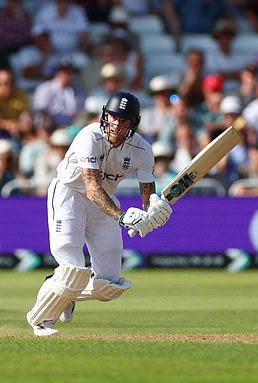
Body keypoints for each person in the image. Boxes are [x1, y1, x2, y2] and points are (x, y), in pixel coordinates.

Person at [26, 92, 172, 336]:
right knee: (71, 268)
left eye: (124, 121)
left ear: (133, 124)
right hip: (69, 195)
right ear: (105, 116)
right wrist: (123, 216)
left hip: (105, 202)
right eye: (113, 118)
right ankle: (41, 320)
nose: (116, 125)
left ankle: (63, 292)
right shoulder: (89, 136)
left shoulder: (143, 150)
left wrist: (153, 214)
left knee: (110, 285)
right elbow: (92, 189)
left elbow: (148, 198)